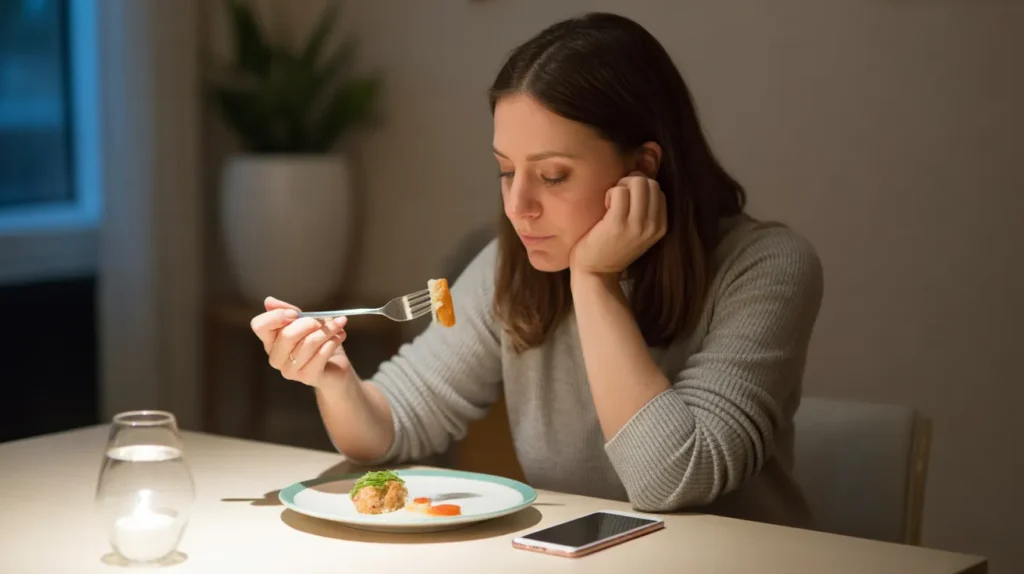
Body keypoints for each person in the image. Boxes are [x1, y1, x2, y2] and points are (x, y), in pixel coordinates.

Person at [250, 12, 823, 528]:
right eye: (506, 171)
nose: (518, 206)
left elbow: (671, 482)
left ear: (643, 167)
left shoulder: (767, 267)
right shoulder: (513, 260)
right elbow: (391, 429)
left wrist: (594, 281)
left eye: (551, 176)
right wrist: (332, 375)